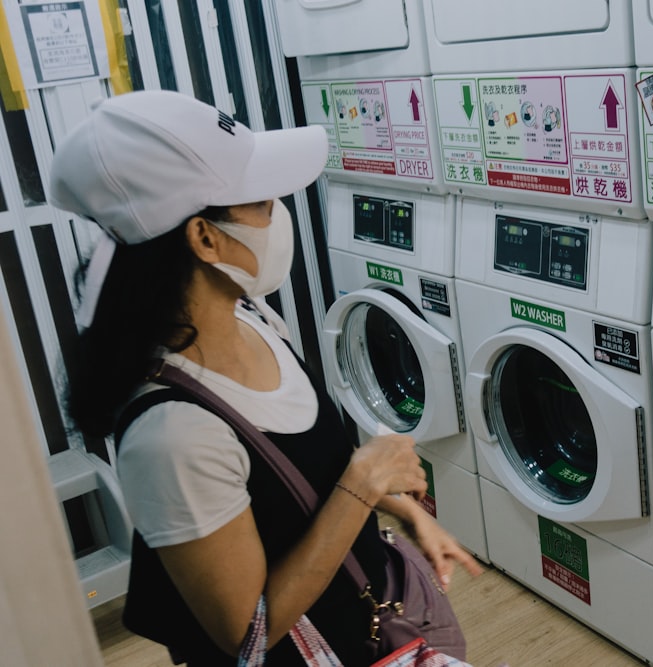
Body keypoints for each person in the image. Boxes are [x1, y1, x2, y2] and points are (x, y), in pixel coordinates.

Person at [51, 90, 481, 666]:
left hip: (367, 626)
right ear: (204, 237)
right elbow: (247, 638)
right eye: (260, 201)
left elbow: (295, 486)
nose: (278, 212)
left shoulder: (253, 318)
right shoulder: (173, 434)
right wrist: (362, 484)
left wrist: (398, 507)